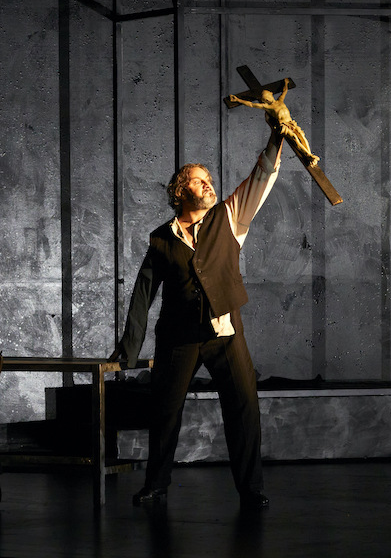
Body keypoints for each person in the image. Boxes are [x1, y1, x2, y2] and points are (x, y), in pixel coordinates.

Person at [109, 115, 284, 509]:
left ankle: (251, 490)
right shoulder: (161, 239)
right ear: (179, 191)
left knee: (244, 410)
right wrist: (130, 345)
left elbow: (261, 178)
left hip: (224, 332)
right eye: (198, 180)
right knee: (165, 413)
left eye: (209, 179)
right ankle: (156, 486)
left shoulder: (230, 217)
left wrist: (277, 137)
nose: (208, 184)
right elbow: (143, 293)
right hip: (179, 337)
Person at [229, 78, 319, 167]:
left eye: (267, 96)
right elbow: (251, 104)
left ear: (271, 94)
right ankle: (308, 155)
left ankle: (310, 155)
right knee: (294, 138)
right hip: (283, 126)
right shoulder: (268, 107)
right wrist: (237, 100)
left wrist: (286, 83)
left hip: (291, 123)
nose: (266, 99)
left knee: (302, 136)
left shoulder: (280, 100)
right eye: (264, 99)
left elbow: (284, 91)